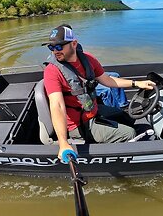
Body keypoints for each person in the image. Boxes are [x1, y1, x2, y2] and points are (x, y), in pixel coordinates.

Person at [42, 24, 156, 159]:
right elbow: (57, 106)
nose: (55, 51)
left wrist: (136, 83)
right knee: (129, 134)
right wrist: (63, 143)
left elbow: (107, 80)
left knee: (125, 117)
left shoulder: (88, 59)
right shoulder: (52, 71)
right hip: (77, 124)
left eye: (59, 46)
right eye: (51, 47)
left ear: (74, 44)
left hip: (92, 110)